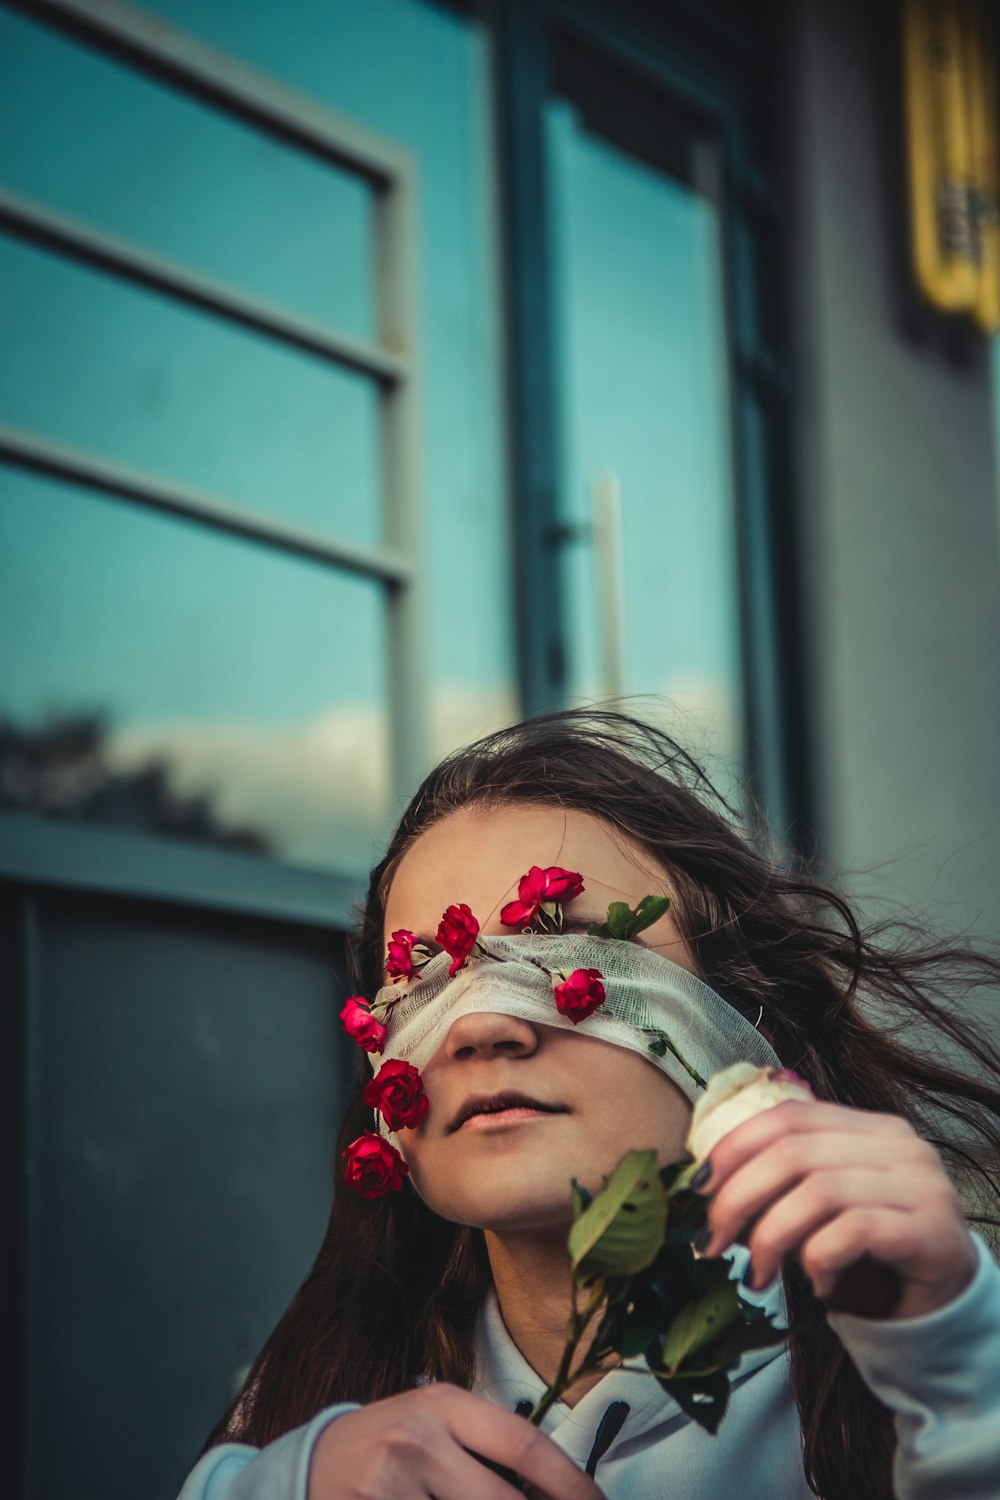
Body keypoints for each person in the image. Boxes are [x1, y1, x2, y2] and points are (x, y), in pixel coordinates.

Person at [178, 710, 1000, 1500]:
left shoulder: (927, 1364)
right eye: (423, 974)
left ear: (741, 1025)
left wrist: (962, 1375)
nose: (481, 1025)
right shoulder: (311, 1407)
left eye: (570, 950)